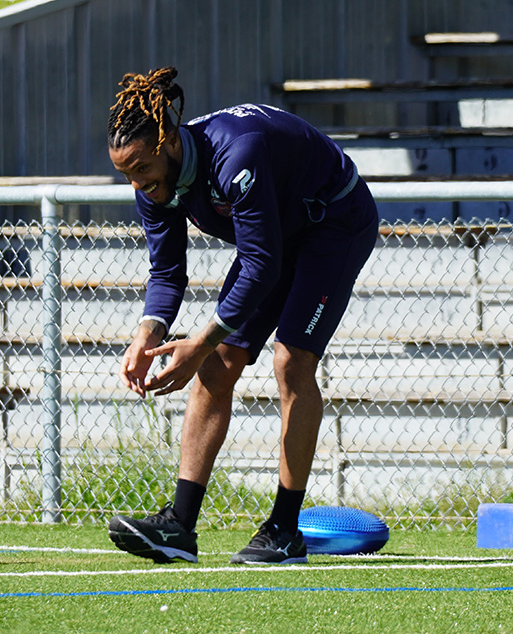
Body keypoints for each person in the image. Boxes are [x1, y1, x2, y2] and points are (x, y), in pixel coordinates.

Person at [104, 66, 379, 565]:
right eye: (125, 173)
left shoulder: (237, 154)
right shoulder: (154, 185)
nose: (137, 184)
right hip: (277, 238)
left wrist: (201, 340)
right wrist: (147, 333)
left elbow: (263, 263)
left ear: (166, 143)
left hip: (333, 223)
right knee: (218, 363)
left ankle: (284, 529)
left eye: (141, 168)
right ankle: (179, 528)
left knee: (291, 362)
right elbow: (167, 272)